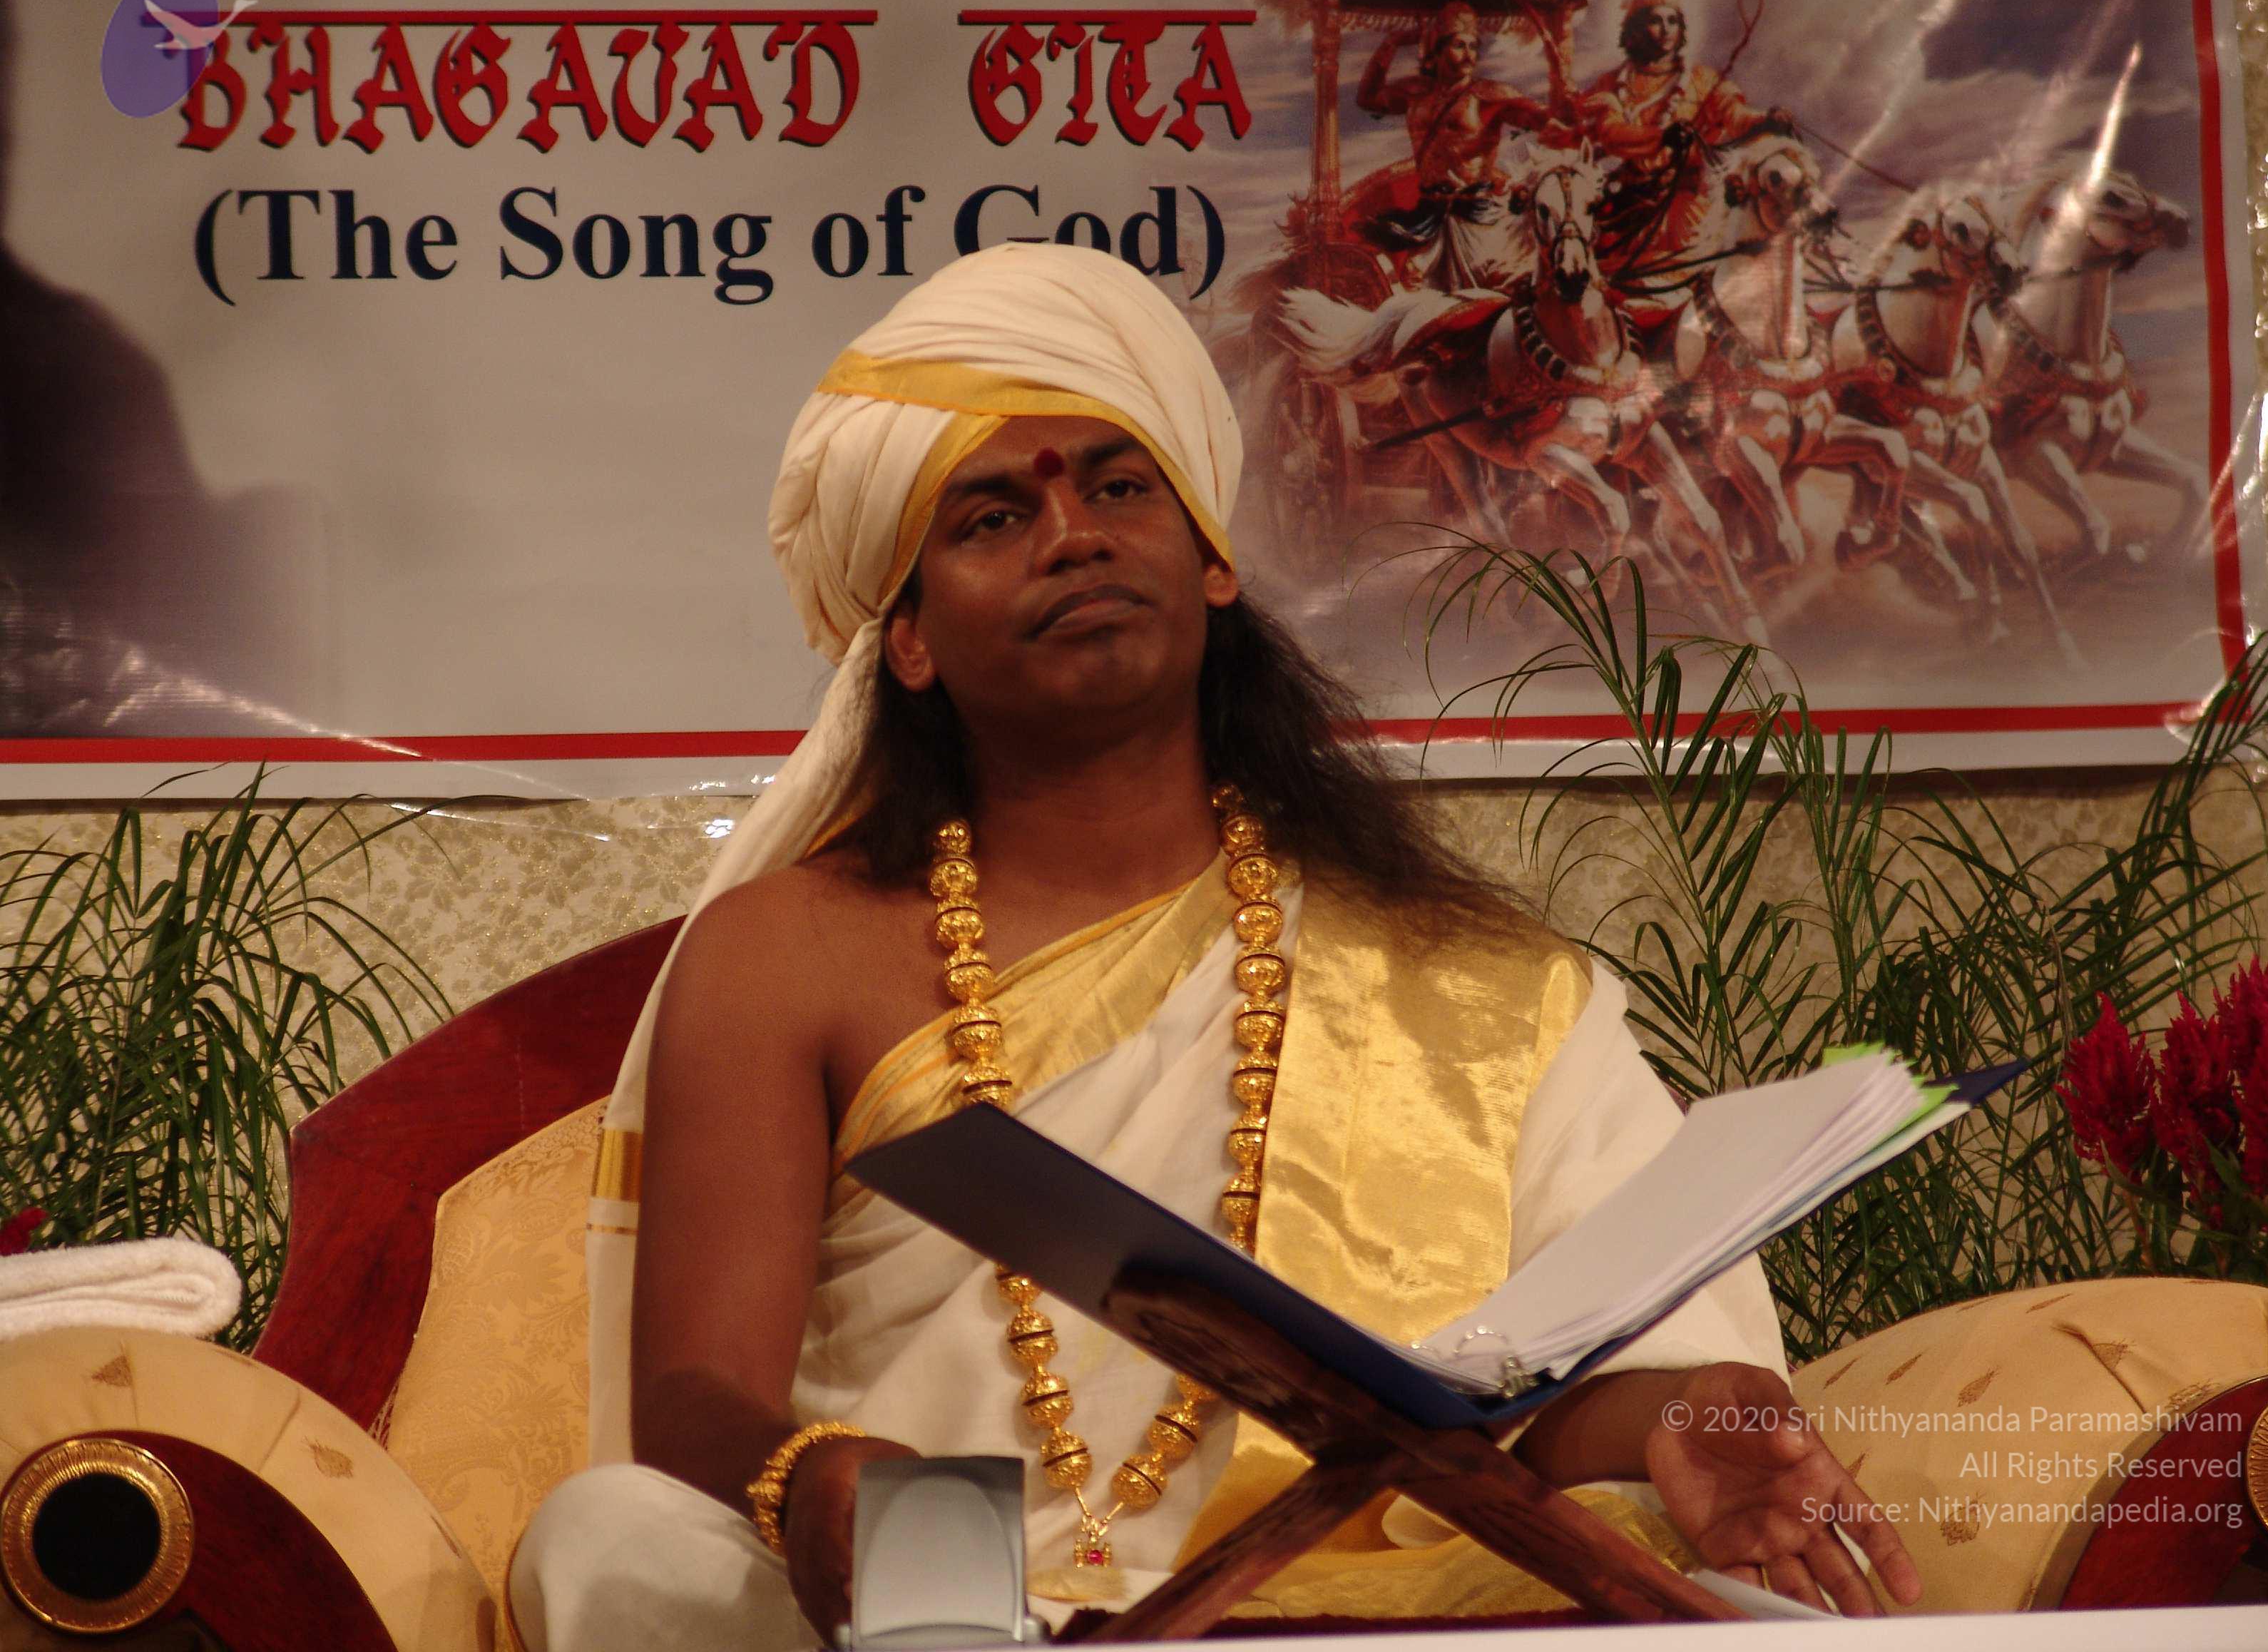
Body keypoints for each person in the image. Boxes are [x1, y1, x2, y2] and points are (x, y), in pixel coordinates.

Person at [509, 243, 1920, 1651]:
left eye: (1120, 488)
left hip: (1349, 1607)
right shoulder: (788, 954)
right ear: (911, 639)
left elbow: (1535, 1403)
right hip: (939, 1610)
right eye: (993, 516)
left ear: (1212, 562)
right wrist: (812, 1478)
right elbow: (689, 1401)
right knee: (606, 1538)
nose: (1073, 535)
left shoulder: (1480, 985)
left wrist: (1688, 1414)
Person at [1557, 0, 1791, 275]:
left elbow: (1735, 116)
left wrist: (1766, 120)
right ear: (1636, 29)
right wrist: (1661, 137)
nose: (1666, 29)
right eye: (1655, 20)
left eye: (1673, 21)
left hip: (1686, 208)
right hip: (1629, 208)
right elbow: (1611, 133)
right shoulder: (1612, 84)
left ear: (1681, 29)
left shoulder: (1702, 80)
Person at [1348, 1, 1561, 292]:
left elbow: (1544, 120)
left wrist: (1560, 86)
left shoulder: (1489, 95)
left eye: (1473, 47)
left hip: (1478, 217)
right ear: (1437, 50)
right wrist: (1392, 43)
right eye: (1459, 45)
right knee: (1408, 288)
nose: (1469, 55)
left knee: (1495, 293)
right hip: (1428, 217)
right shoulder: (1415, 93)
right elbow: (1367, 97)